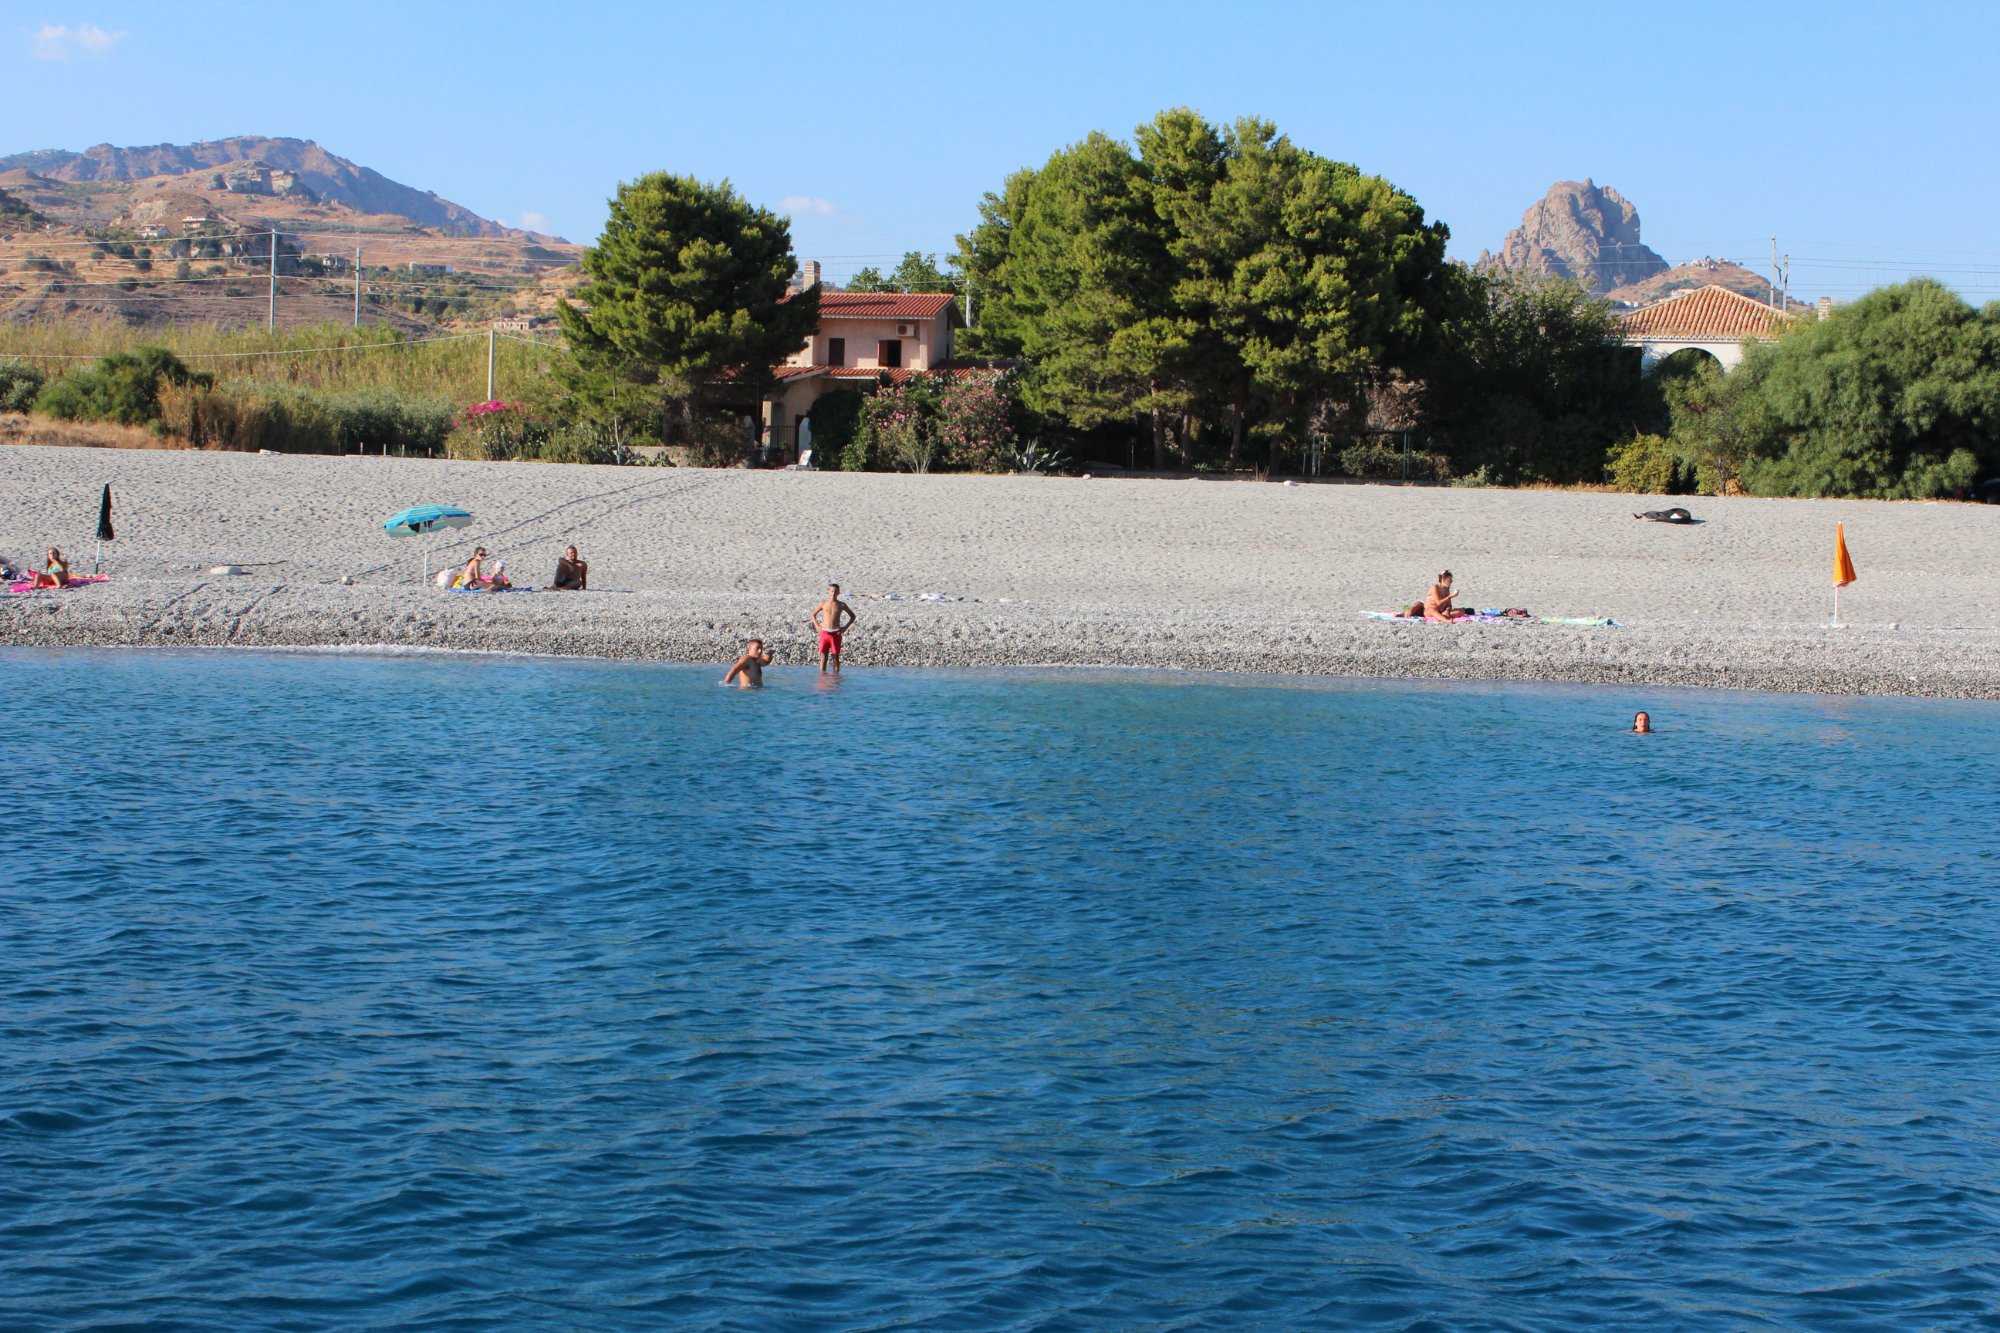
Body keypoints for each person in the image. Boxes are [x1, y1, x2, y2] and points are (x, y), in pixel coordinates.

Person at [811, 582, 857, 673]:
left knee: (835, 657)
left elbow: (853, 616)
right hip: (824, 632)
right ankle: (822, 678)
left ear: (838, 593)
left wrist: (845, 628)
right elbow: (813, 614)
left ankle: (836, 678)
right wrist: (817, 625)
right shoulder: (823, 603)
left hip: (836, 633)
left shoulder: (841, 605)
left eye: (835, 592)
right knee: (823, 656)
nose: (833, 593)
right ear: (828, 592)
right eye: (832, 591)